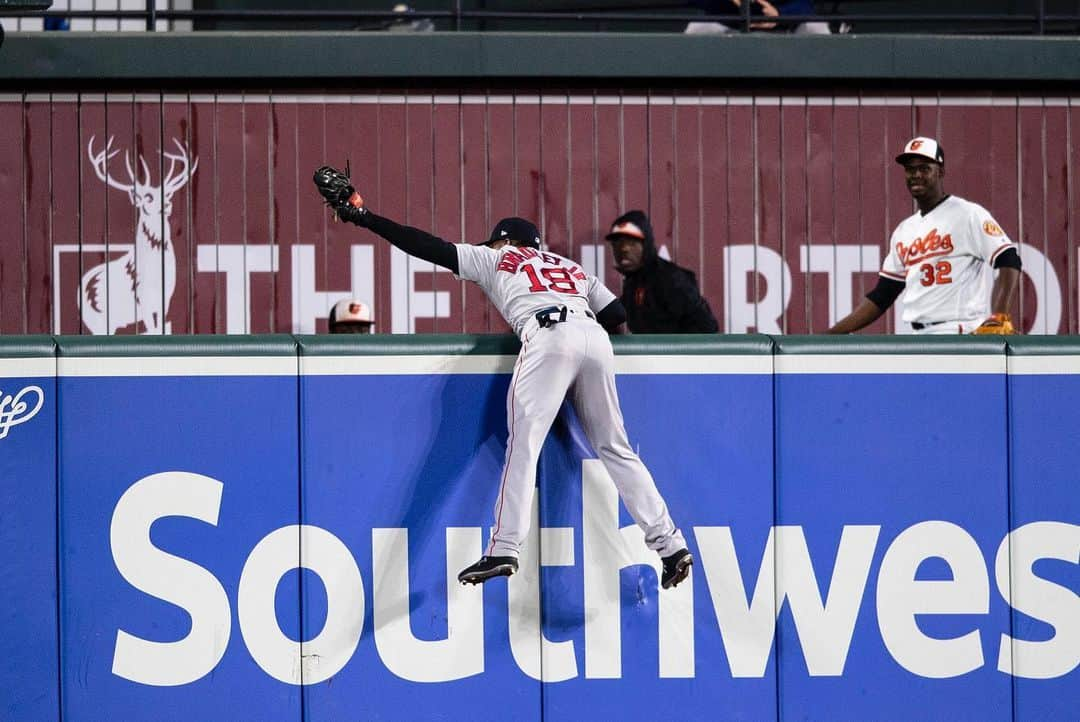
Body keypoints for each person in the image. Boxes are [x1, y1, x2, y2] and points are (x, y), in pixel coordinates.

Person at [313, 165, 693, 589]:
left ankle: (504, 548)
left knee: (524, 446)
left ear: (505, 241)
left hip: (548, 335)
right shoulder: (570, 267)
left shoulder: (497, 257)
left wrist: (363, 217)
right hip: (594, 338)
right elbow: (616, 315)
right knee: (616, 448)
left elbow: (425, 246)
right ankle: (671, 544)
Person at [827, 137, 1021, 336]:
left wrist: (999, 315)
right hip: (919, 337)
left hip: (958, 331)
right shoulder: (904, 230)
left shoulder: (968, 214)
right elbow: (882, 296)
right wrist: (832, 334)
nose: (916, 174)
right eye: (910, 169)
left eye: (924, 168)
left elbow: (1008, 258)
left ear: (941, 171)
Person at [605, 210, 719, 334]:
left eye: (631, 243)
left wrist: (677, 351)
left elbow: (706, 328)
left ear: (646, 245)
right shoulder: (634, 283)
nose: (624, 249)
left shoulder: (670, 279)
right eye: (617, 243)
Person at [685, 0, 832, 35]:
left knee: (817, 26)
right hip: (732, 24)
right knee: (697, 27)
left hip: (781, 25)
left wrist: (780, 15)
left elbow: (806, 5)